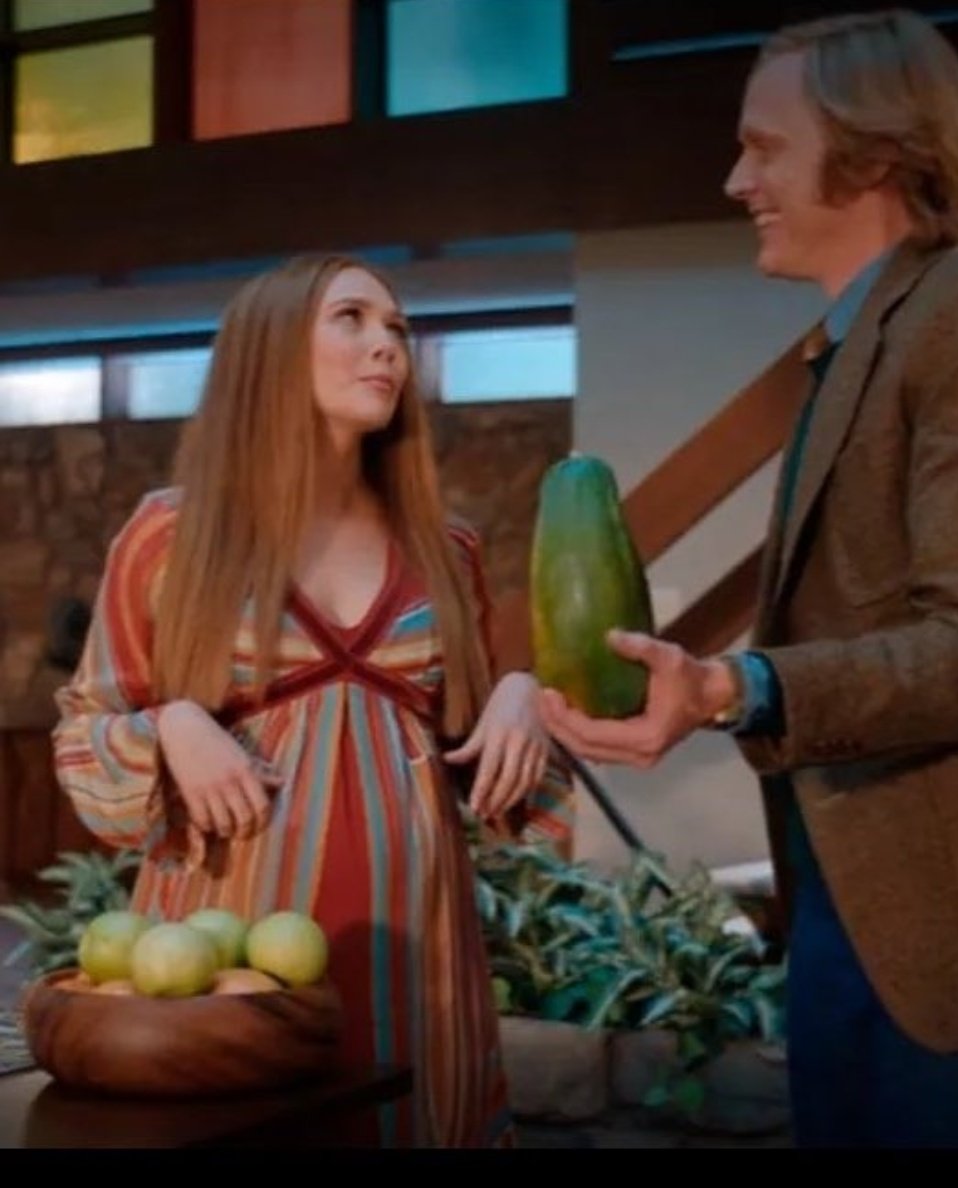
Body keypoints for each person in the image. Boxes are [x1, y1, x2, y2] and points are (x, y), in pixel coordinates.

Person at [540, 8, 958, 1149]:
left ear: (875, 149)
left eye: (765, 147)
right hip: (859, 926)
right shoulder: (852, 345)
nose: (737, 181)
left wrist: (736, 687)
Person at [52, 253, 573, 1148]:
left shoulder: (448, 549)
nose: (388, 347)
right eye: (352, 319)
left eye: (397, 328)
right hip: (224, 940)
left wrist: (524, 696)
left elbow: (481, 753)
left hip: (416, 941)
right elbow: (84, 727)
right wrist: (174, 723)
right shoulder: (171, 533)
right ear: (272, 348)